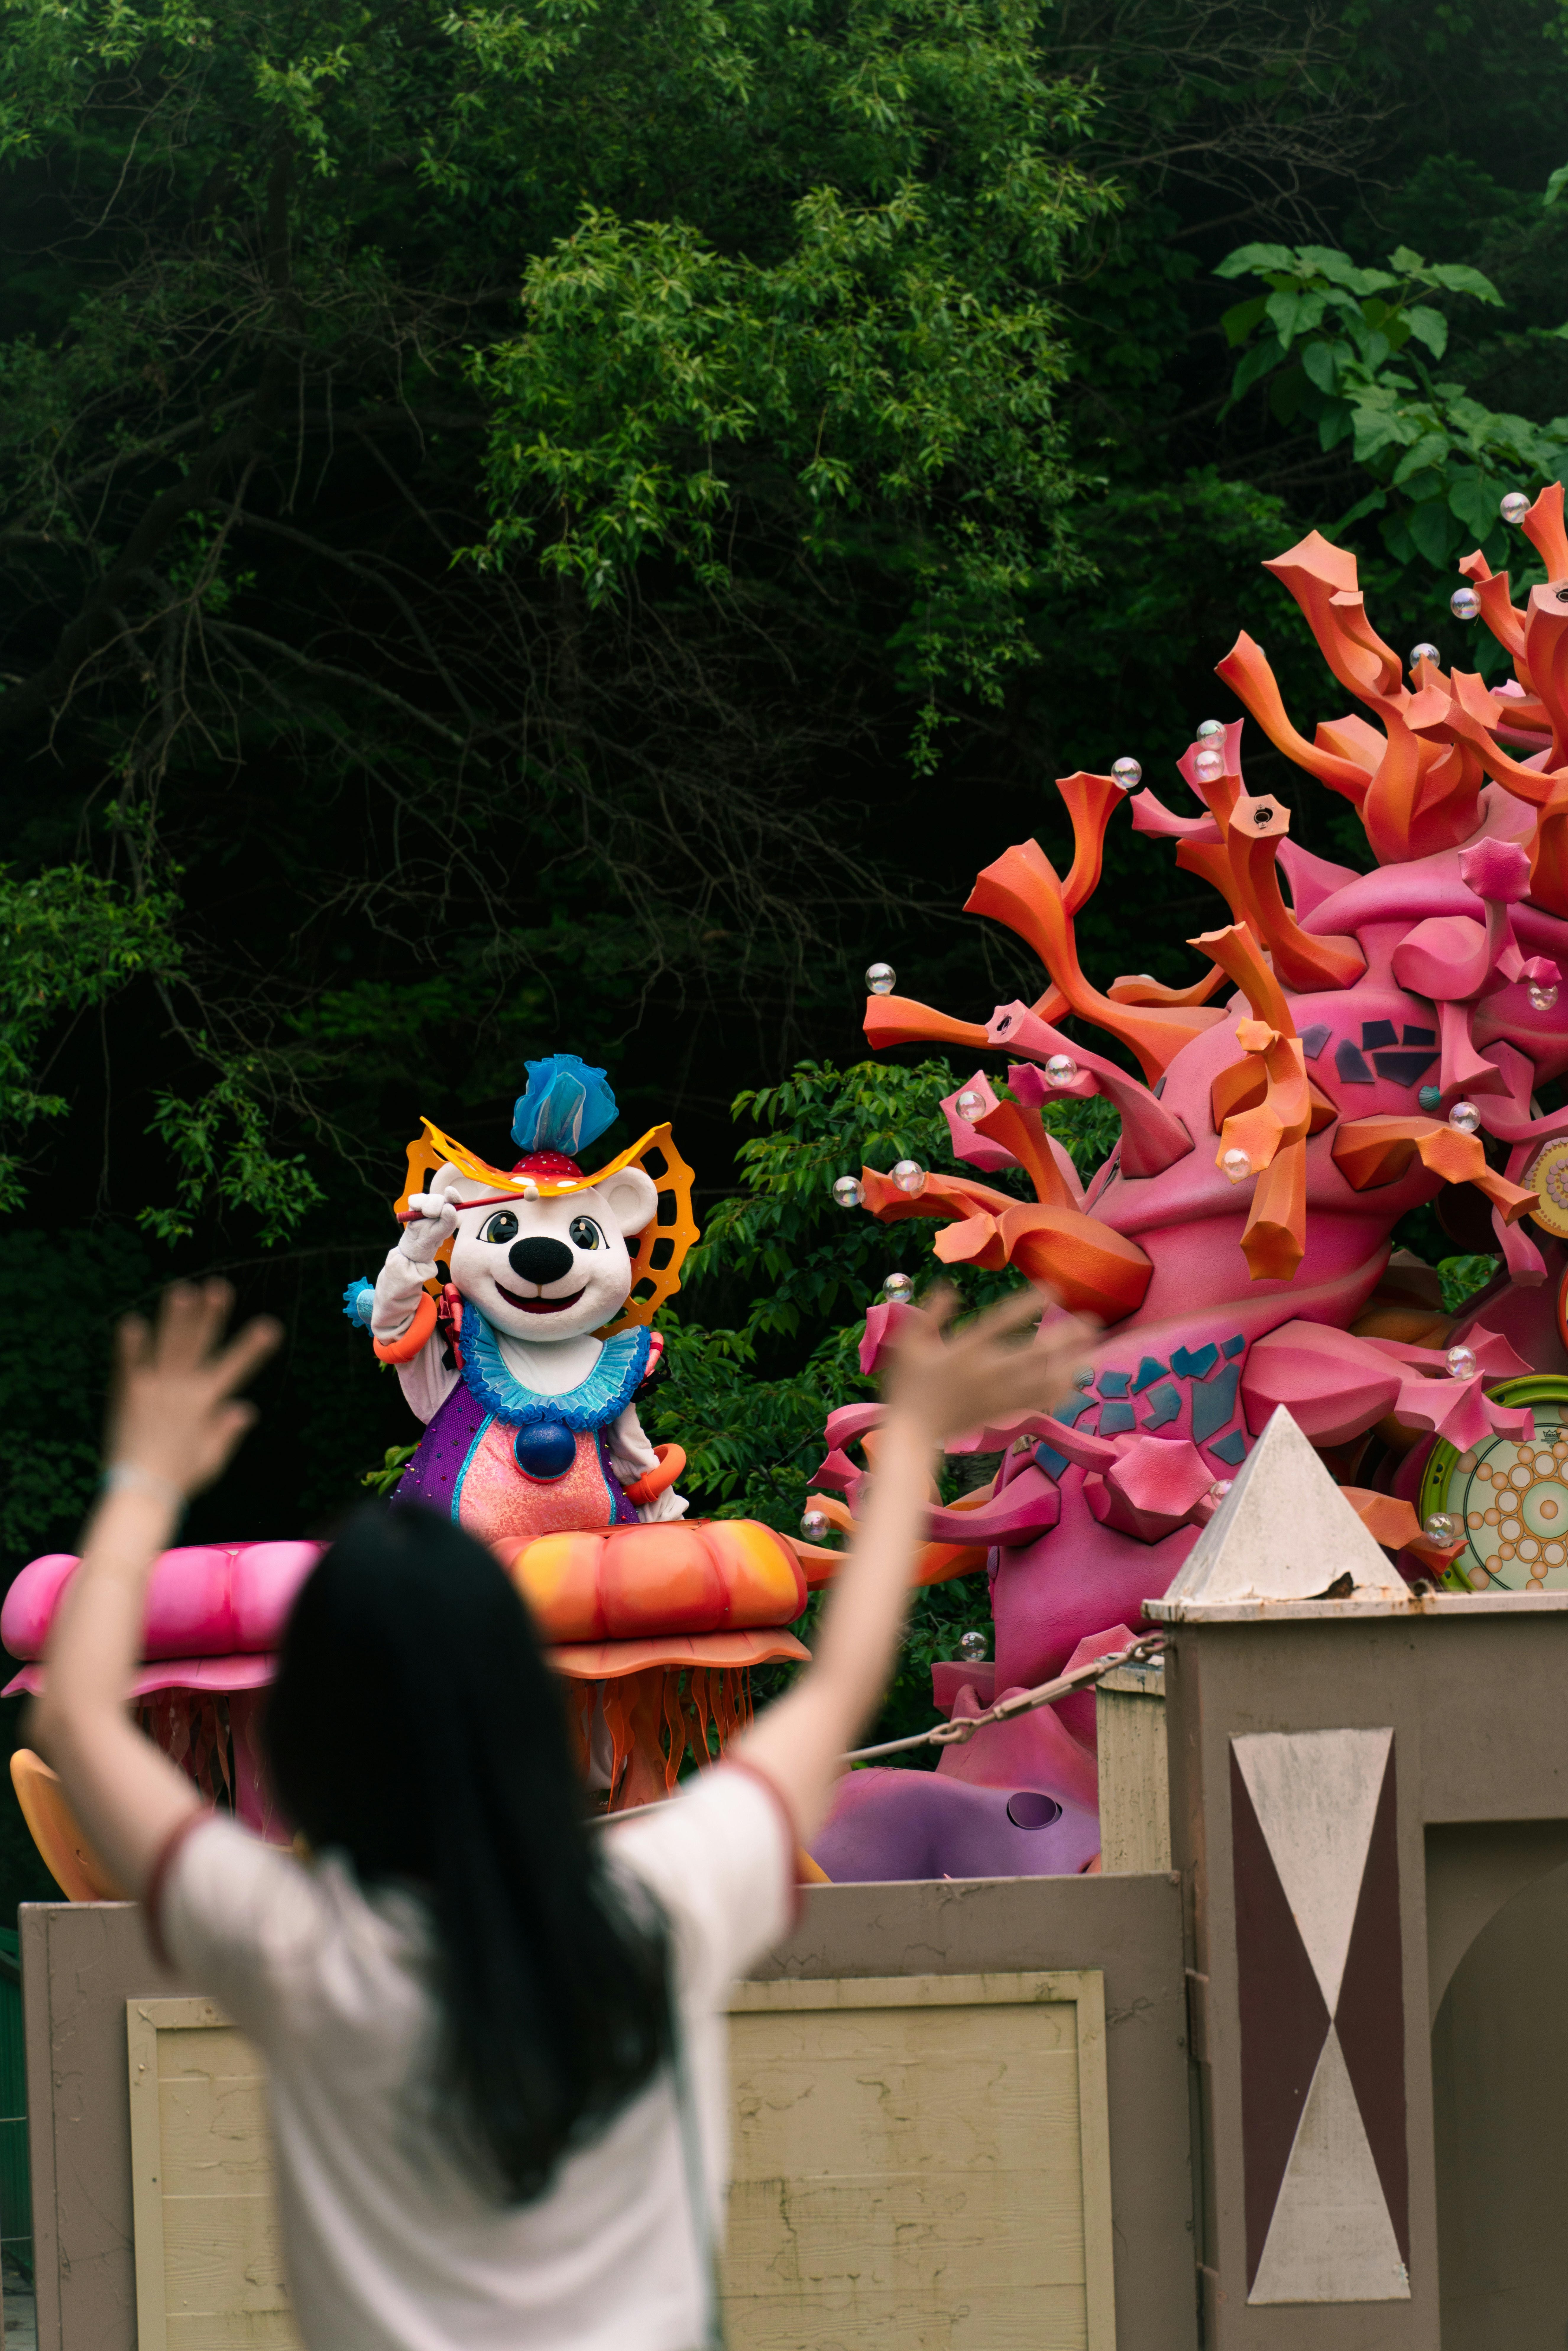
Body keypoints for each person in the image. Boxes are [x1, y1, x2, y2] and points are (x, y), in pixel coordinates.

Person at [31, 1277, 1089, 2351]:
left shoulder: (297, 1951)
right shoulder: (656, 1908)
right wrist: (909, 1449)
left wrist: (145, 1482)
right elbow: (841, 1685)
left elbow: (75, 1713)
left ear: (306, 1743)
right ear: (531, 1706)